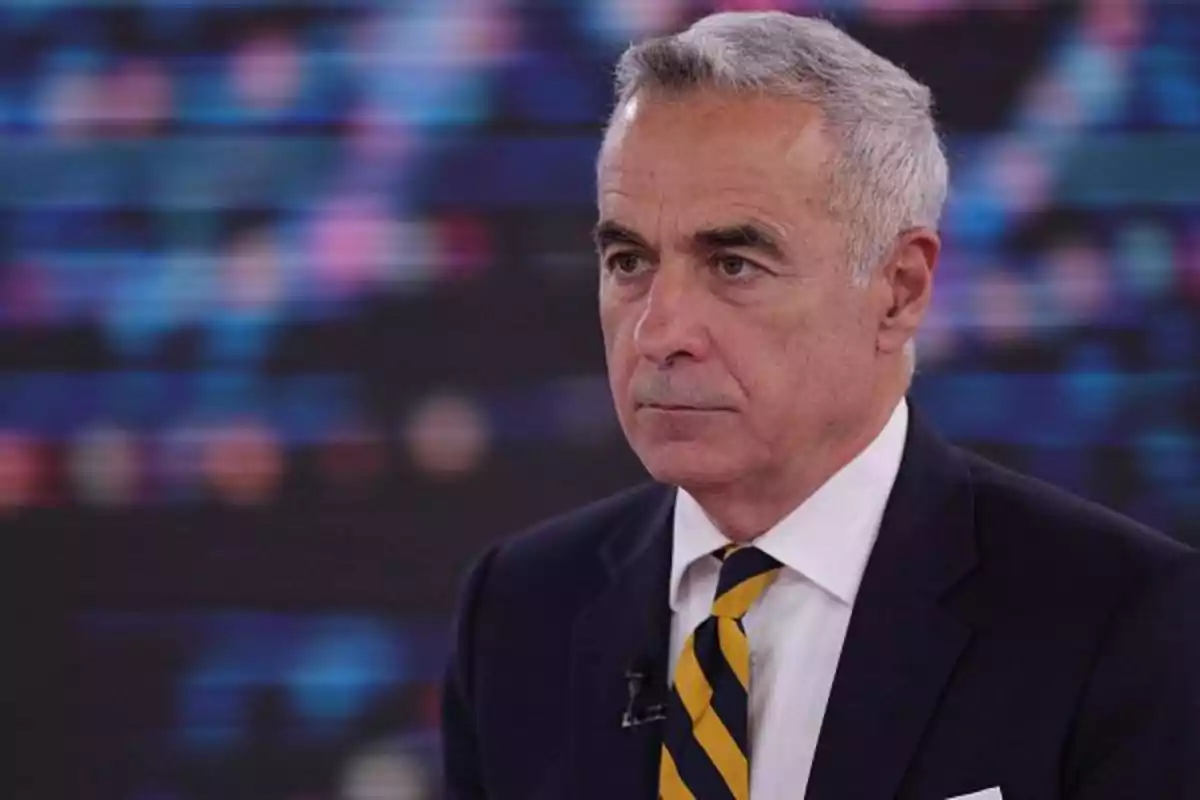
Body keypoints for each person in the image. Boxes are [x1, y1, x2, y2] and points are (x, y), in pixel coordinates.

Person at [439, 11, 1200, 800]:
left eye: (733, 263)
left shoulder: (1116, 619)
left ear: (900, 289)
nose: (659, 331)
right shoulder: (521, 607)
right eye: (628, 259)